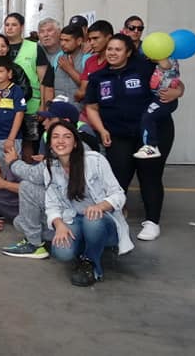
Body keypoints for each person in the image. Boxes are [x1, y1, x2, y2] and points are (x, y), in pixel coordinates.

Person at [85, 34, 183, 241]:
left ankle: (152, 222)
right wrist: (102, 130)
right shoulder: (98, 77)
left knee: (150, 176)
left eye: (118, 49)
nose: (112, 53)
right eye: (109, 49)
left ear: (128, 52)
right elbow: (91, 108)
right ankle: (116, 217)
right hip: (118, 134)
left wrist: (179, 91)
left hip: (153, 134)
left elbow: (173, 80)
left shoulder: (144, 68)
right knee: (118, 177)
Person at [39, 121, 133, 287]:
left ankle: (90, 262)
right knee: (62, 252)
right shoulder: (50, 168)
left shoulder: (95, 160)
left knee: (92, 220)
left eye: (67, 137)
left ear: (75, 143)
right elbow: (52, 205)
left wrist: (100, 206)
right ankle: (89, 246)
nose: (60, 141)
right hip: (75, 219)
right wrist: (59, 225)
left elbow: (118, 194)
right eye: (55, 137)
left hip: (103, 220)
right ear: (50, 143)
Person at [0, 150, 49, 259]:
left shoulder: (13, 171)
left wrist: (4, 184)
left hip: (42, 210)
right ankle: (43, 241)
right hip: (22, 220)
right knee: (18, 222)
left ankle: (37, 243)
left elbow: (33, 190)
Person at [2, 13, 47, 153]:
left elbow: (44, 80)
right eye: (7, 25)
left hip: (31, 105)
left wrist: (43, 105)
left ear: (22, 27)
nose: (10, 28)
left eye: (14, 25)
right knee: (6, 143)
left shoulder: (34, 48)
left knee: (29, 146)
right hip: (4, 104)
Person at [133, 56, 182, 160]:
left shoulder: (167, 59)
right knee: (147, 117)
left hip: (162, 98)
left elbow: (166, 65)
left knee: (148, 117)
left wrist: (179, 91)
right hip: (155, 97)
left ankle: (151, 146)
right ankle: (150, 145)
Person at [42, 24, 89, 110]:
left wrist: (69, 69)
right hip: (57, 111)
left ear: (79, 41)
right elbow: (49, 87)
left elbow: (89, 87)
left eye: (67, 40)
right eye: (61, 40)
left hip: (80, 112)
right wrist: (48, 109)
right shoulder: (55, 58)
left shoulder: (88, 59)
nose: (63, 44)